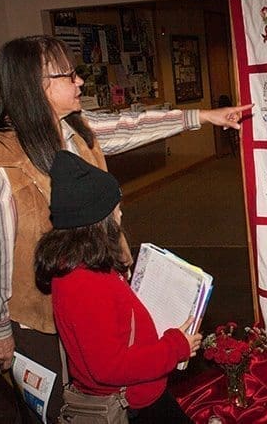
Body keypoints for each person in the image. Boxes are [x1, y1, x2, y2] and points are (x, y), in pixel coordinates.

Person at [0, 35, 251, 422]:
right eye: (68, 75)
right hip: (38, 322)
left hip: (96, 300)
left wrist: (204, 117)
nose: (80, 81)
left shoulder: (76, 130)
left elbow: (132, 124)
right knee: (64, 412)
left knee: (114, 397)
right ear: (35, 85)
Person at [34, 150, 201, 423]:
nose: (121, 213)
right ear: (99, 220)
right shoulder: (84, 283)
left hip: (142, 391)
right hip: (130, 403)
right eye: (116, 208)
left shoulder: (82, 261)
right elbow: (109, 368)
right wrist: (176, 347)